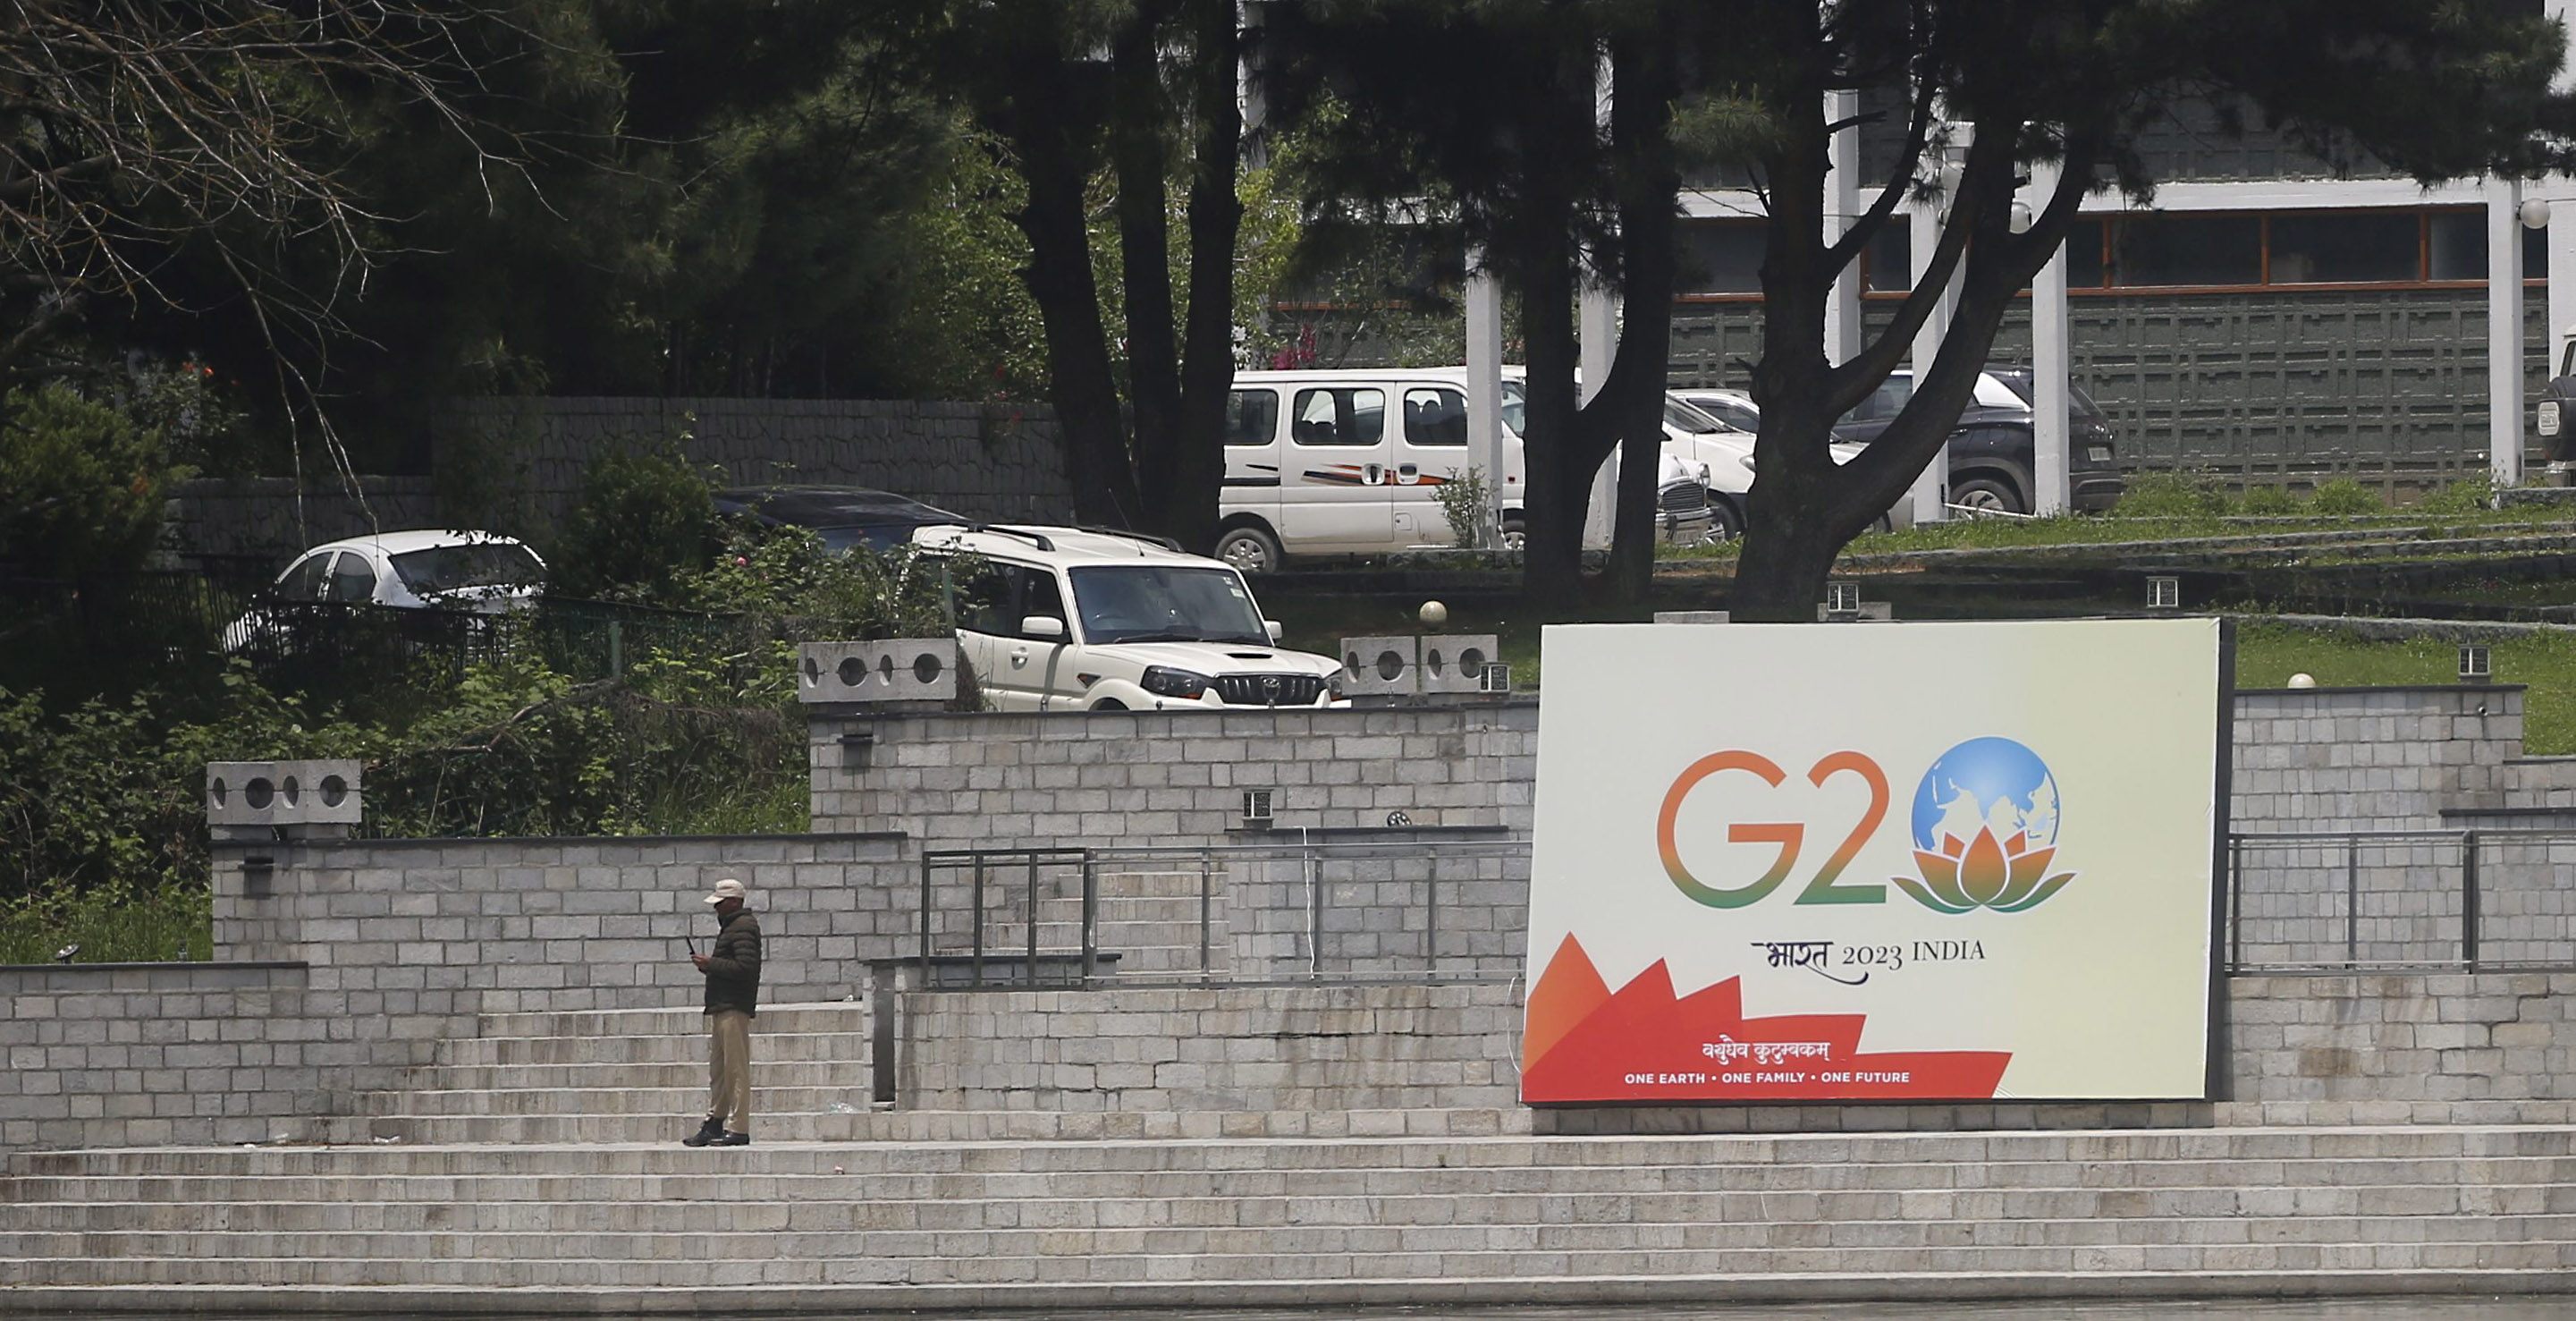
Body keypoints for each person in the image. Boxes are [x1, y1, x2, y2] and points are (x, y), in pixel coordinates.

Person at [683, 876, 760, 1147]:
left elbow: (745, 968)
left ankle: (738, 1128)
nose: (716, 908)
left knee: (736, 1069)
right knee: (719, 1069)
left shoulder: (744, 926)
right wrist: (710, 966)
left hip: (733, 1005)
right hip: (721, 1004)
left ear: (734, 902)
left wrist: (711, 964)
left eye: (720, 902)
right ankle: (715, 1121)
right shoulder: (732, 927)